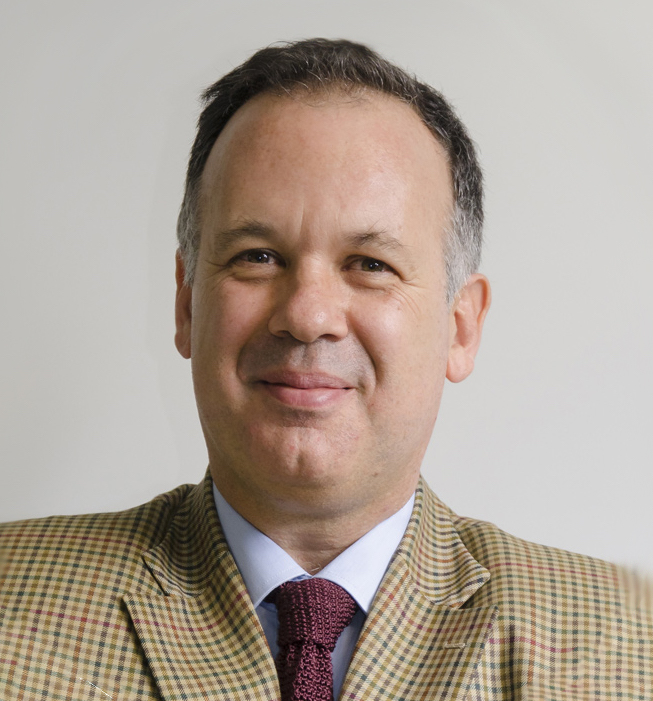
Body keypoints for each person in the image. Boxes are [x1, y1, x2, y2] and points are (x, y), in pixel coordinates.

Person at [0, 38, 650, 701]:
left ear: (460, 326)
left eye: (370, 264)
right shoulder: (10, 606)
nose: (307, 316)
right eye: (257, 256)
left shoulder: (628, 647)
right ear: (187, 303)